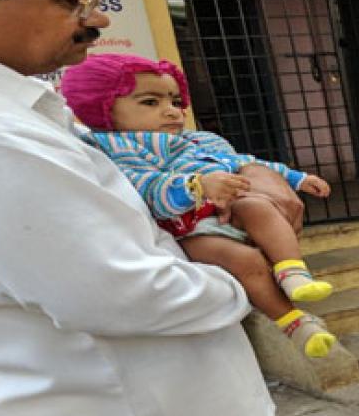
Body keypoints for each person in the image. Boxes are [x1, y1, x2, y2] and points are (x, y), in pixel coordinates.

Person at [0, 0, 281, 416]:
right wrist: (240, 278)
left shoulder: (2, 111)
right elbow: (117, 292)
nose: (97, 19)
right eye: (73, 0)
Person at [60, 53, 340, 358]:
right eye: (150, 103)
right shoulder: (114, 147)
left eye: (175, 101)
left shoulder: (199, 140)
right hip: (190, 227)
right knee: (246, 262)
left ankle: (293, 272)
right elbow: (144, 186)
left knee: (260, 206)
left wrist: (297, 178)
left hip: (232, 209)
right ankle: (295, 323)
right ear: (103, 108)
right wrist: (194, 186)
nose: (172, 112)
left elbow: (244, 162)